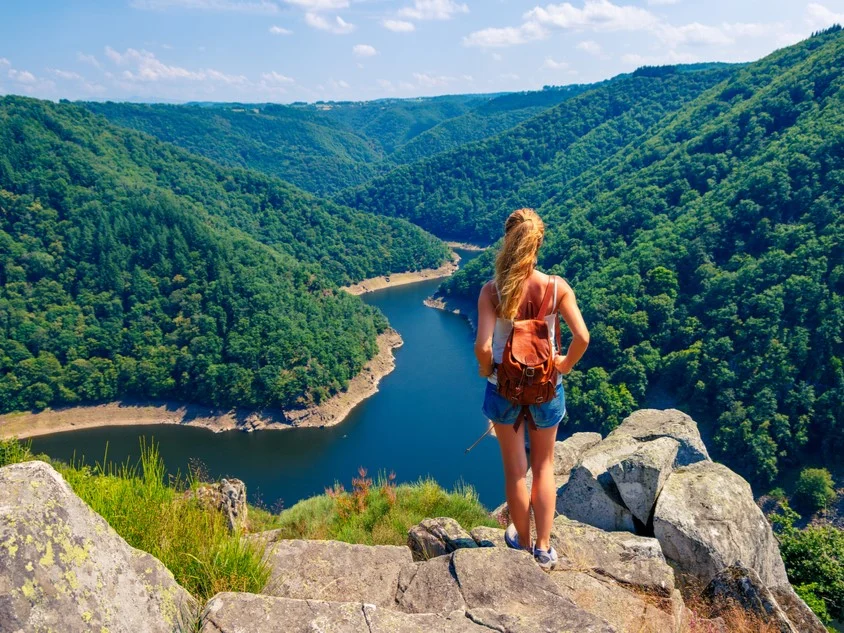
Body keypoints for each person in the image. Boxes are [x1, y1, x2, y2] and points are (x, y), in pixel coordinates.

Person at [474, 208, 589, 570]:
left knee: (515, 470)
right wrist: (563, 364)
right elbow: (582, 338)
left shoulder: (493, 291)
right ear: (538, 244)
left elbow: (482, 346)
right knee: (543, 467)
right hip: (546, 389)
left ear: (508, 242)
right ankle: (543, 548)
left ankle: (521, 544)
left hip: (503, 389)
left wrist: (486, 370)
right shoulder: (556, 288)